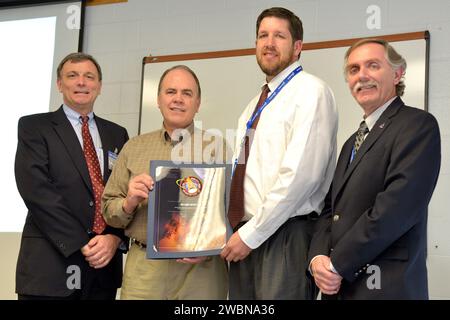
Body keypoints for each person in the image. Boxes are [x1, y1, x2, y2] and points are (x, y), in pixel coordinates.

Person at [308, 38, 441, 299]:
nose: (363, 75)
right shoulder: (351, 143)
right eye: (354, 69)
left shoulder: (417, 126)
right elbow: (329, 209)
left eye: (373, 65)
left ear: (398, 73)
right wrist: (318, 258)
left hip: (387, 288)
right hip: (340, 286)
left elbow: (394, 209)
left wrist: (337, 264)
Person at [220, 7, 338, 299]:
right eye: (263, 35)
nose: (269, 43)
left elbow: (300, 177)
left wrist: (250, 235)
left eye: (279, 36)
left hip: (285, 236)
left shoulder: (311, 92)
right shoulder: (253, 105)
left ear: (297, 47)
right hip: (246, 235)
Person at [102, 65, 228, 299]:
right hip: (146, 271)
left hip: (202, 271)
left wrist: (212, 245)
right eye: (171, 92)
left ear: (198, 103)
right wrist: (129, 202)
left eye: (187, 93)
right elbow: (110, 212)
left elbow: (232, 211)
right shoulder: (134, 147)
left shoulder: (218, 148)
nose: (178, 99)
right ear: (158, 99)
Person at [15, 52, 129, 300]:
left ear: (99, 86)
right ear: (59, 84)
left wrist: (114, 238)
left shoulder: (118, 134)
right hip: (51, 267)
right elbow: (36, 191)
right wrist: (80, 241)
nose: (81, 82)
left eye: (89, 77)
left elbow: (123, 193)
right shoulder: (34, 127)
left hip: (103, 269)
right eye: (72, 75)